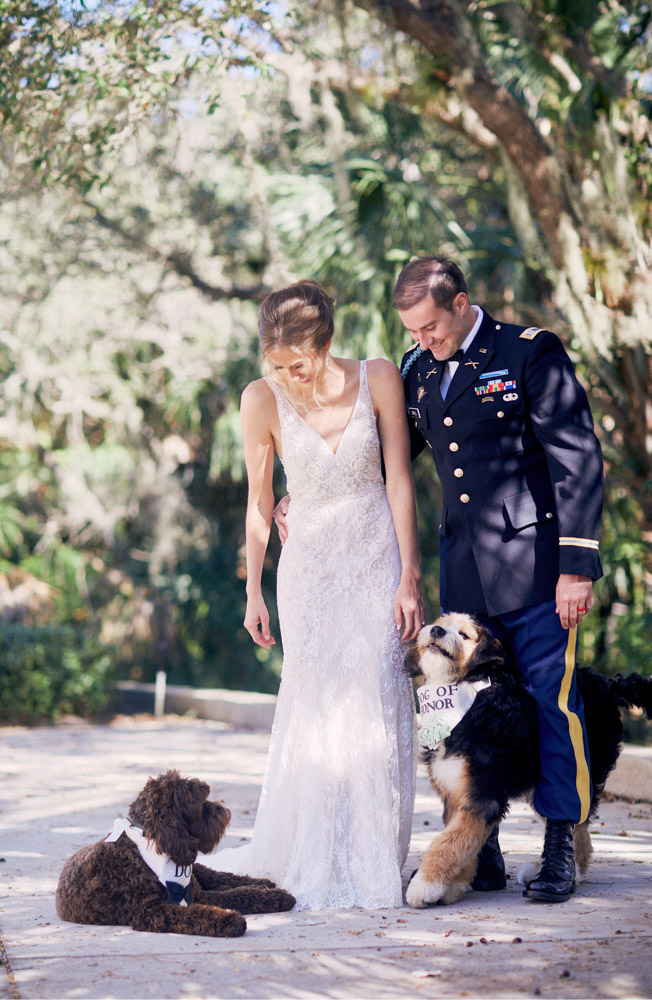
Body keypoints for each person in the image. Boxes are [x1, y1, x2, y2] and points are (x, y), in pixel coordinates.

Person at [201, 279, 422, 910]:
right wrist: (253, 591)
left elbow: (400, 480)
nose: (289, 377)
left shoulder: (379, 376)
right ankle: (313, 850)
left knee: (378, 695)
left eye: (298, 365)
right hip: (309, 571)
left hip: (376, 554)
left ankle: (375, 854)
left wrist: (410, 574)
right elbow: (260, 501)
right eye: (276, 367)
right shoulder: (259, 399)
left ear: (325, 345)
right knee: (315, 702)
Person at [395, 255, 604, 903]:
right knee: (443, 710)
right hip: (463, 578)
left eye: (431, 326)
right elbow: (390, 463)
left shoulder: (528, 353)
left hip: (538, 569)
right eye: (412, 331)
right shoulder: (415, 371)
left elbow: (577, 456)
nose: (423, 340)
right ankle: (470, 847)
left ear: (460, 303)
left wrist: (577, 565)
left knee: (549, 703)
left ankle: (559, 846)